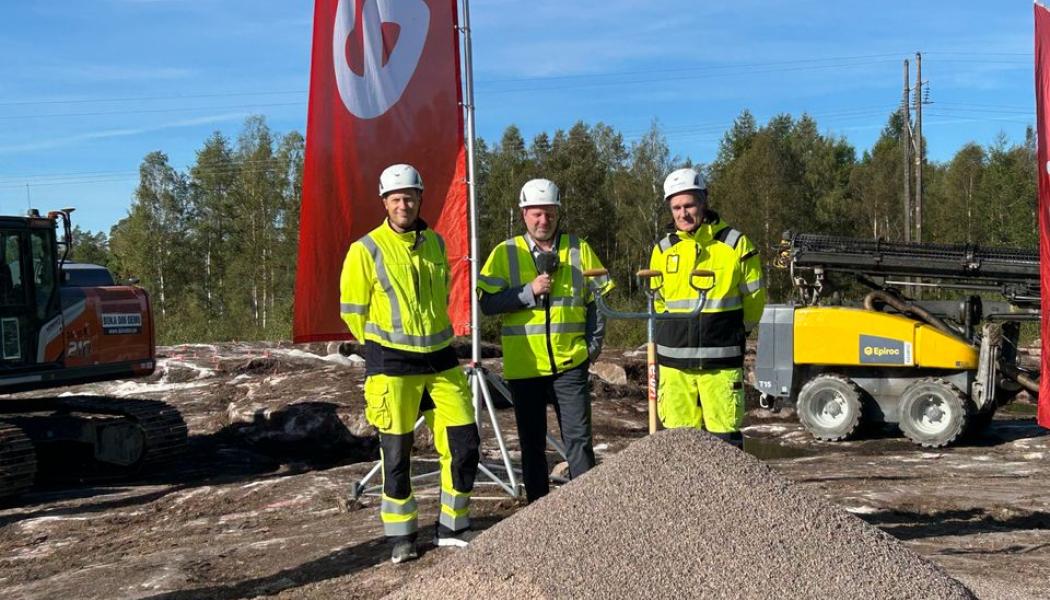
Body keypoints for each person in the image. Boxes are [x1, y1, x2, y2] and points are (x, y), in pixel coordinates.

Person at [339, 164, 480, 564]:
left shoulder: (435, 243)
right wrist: (380, 345)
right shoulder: (365, 249)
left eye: (410, 197)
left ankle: (454, 526)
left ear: (420, 198)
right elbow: (352, 310)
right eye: (396, 198)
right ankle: (402, 537)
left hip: (440, 358)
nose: (404, 204)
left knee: (463, 442)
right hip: (392, 363)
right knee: (397, 454)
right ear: (385, 203)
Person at [477, 179, 614, 502]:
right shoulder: (504, 253)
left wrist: (592, 348)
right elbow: (487, 303)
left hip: (571, 364)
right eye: (536, 214)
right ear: (524, 214)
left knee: (579, 440)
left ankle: (587, 508)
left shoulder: (580, 249)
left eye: (549, 213)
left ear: (558, 213)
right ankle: (538, 509)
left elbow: (599, 304)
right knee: (532, 443)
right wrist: (528, 292)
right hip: (525, 367)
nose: (543, 221)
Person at [648, 167, 765, 448]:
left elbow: (755, 298)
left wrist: (735, 331)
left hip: (720, 363)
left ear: (704, 202)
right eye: (676, 207)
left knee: (723, 443)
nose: (683, 213)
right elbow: (658, 300)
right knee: (679, 446)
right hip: (675, 364)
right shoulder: (663, 249)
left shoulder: (735, 244)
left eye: (689, 205)